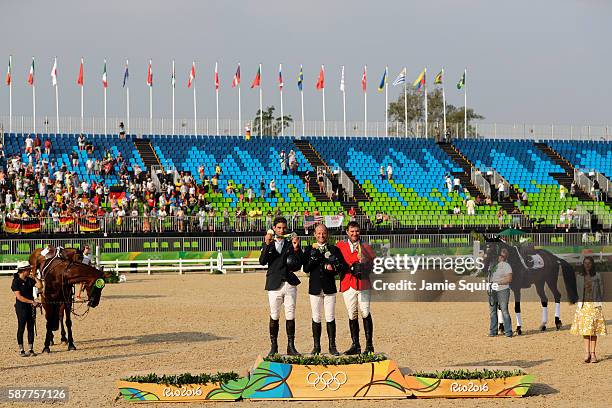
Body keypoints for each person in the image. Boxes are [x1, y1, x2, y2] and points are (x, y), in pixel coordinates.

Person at [259, 217, 303, 356]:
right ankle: (274, 346)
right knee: (274, 315)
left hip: (289, 283)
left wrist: (296, 249)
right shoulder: (268, 243)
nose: (282, 230)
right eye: (279, 228)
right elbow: (262, 261)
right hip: (274, 283)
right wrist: (266, 244)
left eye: (284, 228)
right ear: (274, 228)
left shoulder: (291, 243)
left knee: (290, 315)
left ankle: (291, 346)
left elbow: (298, 264)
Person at [303, 224, 347, 355]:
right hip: (315, 287)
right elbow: (306, 269)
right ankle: (316, 347)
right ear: (314, 235)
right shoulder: (309, 249)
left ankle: (332, 346)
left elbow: (341, 267)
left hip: (329, 287)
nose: (321, 236)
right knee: (316, 317)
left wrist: (333, 267)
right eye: (318, 233)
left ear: (327, 234)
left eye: (323, 233)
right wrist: (313, 258)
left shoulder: (334, 249)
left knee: (330, 317)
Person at [336, 221, 376, 354]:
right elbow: (336, 262)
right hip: (347, 283)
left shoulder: (365, 246)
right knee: (352, 314)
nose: (354, 233)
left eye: (357, 231)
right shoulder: (340, 246)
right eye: (352, 231)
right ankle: (356, 345)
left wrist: (365, 262)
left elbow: (375, 265)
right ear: (347, 232)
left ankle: (369, 346)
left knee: (365, 312)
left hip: (363, 283)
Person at [570, 256, 607, 363]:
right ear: (583, 264)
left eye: (589, 263)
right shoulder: (579, 277)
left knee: (594, 331)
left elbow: (602, 290)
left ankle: (593, 353)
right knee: (586, 331)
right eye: (585, 263)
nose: (587, 265)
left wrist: (599, 304)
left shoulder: (597, 276)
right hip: (583, 306)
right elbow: (577, 290)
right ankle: (587, 353)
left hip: (594, 306)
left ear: (592, 264)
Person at [12, 261, 43, 357]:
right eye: (28, 269)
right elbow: (19, 297)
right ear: (23, 270)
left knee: (30, 327)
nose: (30, 270)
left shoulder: (29, 280)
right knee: (21, 327)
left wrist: (34, 277)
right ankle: (21, 349)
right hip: (21, 307)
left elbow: (40, 286)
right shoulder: (16, 282)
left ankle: (30, 349)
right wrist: (32, 302)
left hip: (30, 307)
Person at [487, 248, 513, 337]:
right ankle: (493, 331)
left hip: (503, 290)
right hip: (493, 290)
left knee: (504, 311)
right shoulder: (494, 266)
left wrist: (496, 283)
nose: (498, 257)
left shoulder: (506, 265)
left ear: (503, 257)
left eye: (501, 255)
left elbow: (509, 279)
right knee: (492, 311)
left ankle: (508, 331)